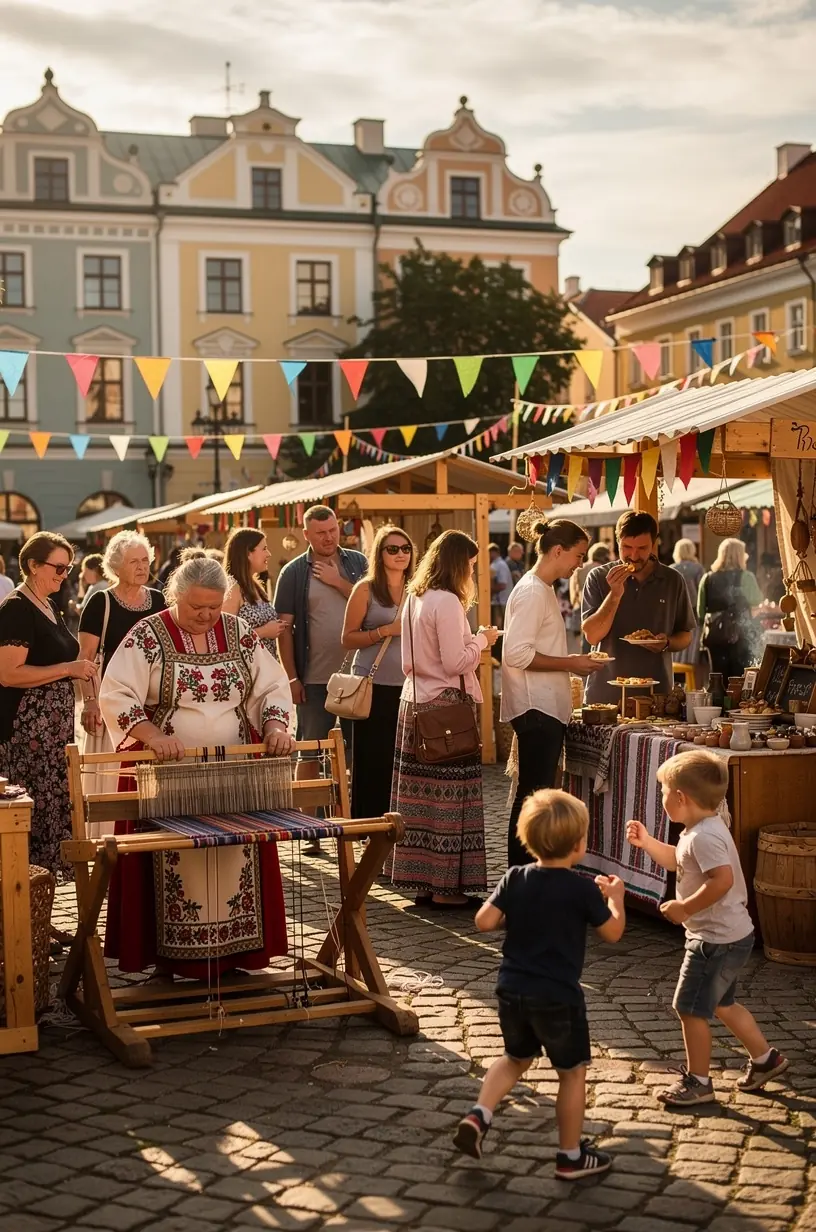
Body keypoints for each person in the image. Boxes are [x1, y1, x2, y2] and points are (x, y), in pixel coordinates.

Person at [98, 556, 293, 979]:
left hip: (235, 775)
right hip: (169, 777)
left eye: (214, 607)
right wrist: (153, 736)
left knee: (230, 860)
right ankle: (170, 960)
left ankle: (235, 955)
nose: (206, 616)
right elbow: (116, 694)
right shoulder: (147, 636)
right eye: (196, 608)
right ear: (175, 598)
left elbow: (272, 685)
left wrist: (276, 725)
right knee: (174, 859)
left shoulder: (239, 632)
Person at [453, 789, 625, 1177]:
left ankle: (480, 1115)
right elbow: (612, 933)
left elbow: (483, 922)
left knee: (515, 1058)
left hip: (512, 989)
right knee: (571, 1073)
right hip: (558, 996)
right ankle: (570, 1155)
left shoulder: (515, 878)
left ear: (526, 839)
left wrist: (512, 915)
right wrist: (616, 900)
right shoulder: (582, 888)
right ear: (579, 844)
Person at [627, 750, 789, 1106]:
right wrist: (649, 843)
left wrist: (685, 907)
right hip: (730, 935)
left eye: (665, 792)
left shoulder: (704, 837)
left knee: (689, 1008)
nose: (664, 798)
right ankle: (766, 1060)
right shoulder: (701, 830)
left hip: (714, 940)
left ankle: (698, 1081)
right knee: (724, 1004)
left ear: (681, 798)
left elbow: (722, 880)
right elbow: (678, 860)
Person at [391, 530, 499, 908]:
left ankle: (423, 882)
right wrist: (483, 641)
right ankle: (445, 889)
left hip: (415, 703)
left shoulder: (414, 597)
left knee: (420, 803)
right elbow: (455, 662)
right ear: (457, 565)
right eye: (470, 565)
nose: (472, 573)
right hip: (446, 708)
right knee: (450, 802)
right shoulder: (449, 602)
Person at [502, 519, 607, 867]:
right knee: (532, 798)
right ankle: (521, 877)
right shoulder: (533, 590)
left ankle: (527, 874)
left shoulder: (541, 588)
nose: (580, 563)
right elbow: (516, 653)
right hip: (536, 708)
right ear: (557, 550)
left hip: (543, 707)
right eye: (577, 555)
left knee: (535, 795)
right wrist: (571, 662)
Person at [0, 532, 98, 874]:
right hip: (28, 733)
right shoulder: (16, 606)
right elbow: (8, 674)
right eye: (58, 567)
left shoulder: (49, 604)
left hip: (52, 731)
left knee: (51, 812)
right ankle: (21, 906)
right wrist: (67, 669)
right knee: (32, 814)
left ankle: (40, 903)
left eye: (68, 568)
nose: (64, 575)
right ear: (32, 565)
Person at [274, 504, 367, 752]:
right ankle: (313, 793)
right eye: (320, 533)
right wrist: (292, 678)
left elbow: (374, 606)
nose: (329, 537)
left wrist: (338, 582)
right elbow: (283, 630)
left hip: (357, 676)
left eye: (333, 530)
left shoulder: (358, 562)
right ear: (306, 535)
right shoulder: (292, 572)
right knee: (309, 752)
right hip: (313, 680)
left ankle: (352, 793)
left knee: (358, 751)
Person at [582, 511, 695, 704]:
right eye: (626, 547)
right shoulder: (599, 577)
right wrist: (615, 594)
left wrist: (666, 642)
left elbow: (685, 635)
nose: (634, 556)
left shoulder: (672, 579)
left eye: (642, 548)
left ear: (654, 543)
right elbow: (592, 635)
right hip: (605, 696)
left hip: (657, 697)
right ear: (617, 542)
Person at [342, 525, 415, 819]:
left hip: (409, 684)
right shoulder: (366, 589)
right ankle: (370, 826)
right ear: (380, 554)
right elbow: (347, 638)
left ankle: (399, 823)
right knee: (373, 758)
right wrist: (384, 631)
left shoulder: (416, 590)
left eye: (406, 549)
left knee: (403, 759)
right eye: (393, 549)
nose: (400, 554)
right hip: (372, 685)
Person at [78, 532, 167, 749]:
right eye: (134, 561)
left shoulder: (159, 599)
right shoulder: (101, 602)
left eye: (145, 560)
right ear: (116, 567)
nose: (142, 567)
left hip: (153, 703)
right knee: (114, 774)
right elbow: (85, 657)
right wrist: (90, 702)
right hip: (113, 702)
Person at [698, 538, 763, 682]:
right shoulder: (746, 577)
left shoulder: (707, 578)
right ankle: (739, 703)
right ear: (740, 555)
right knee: (739, 677)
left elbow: (700, 612)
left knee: (717, 677)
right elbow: (756, 600)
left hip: (715, 636)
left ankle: (719, 703)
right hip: (740, 634)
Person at [223, 528, 285, 656]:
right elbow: (225, 638)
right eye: (264, 549)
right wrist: (264, 631)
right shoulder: (233, 588)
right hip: (247, 671)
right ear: (247, 553)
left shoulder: (255, 585)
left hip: (266, 669)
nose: (269, 554)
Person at [671, 539, 704, 676]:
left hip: (676, 614)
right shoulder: (698, 568)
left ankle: (679, 680)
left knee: (678, 649)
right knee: (693, 649)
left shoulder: (671, 569)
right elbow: (702, 591)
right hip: (694, 613)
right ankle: (693, 682)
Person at [569, 542, 610, 653]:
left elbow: (574, 590)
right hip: (599, 606)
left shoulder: (580, 569)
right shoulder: (603, 569)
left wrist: (575, 604)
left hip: (581, 604)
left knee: (584, 641)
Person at [489, 543, 514, 628]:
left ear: (494, 552)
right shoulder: (497, 564)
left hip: (501, 602)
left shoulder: (499, 565)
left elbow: (502, 585)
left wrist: (489, 590)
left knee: (500, 627)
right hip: (499, 601)